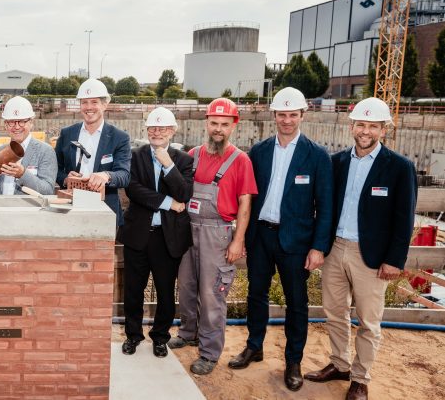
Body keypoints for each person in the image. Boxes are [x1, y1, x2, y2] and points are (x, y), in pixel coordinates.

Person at [305, 97, 417, 400]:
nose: (365, 131)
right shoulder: (337, 162)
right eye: (360, 124)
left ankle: (360, 378)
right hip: (335, 248)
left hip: (371, 255)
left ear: (383, 129)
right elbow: (323, 206)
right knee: (334, 311)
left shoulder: (399, 168)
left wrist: (394, 260)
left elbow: (403, 218)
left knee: (369, 320)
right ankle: (340, 364)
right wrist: (319, 246)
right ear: (352, 125)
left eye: (372, 126)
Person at [228, 87, 333, 391]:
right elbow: (245, 197)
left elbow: (325, 207)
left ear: (302, 115)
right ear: (273, 115)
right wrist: (242, 235)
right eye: (282, 114)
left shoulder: (317, 156)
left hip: (296, 242)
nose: (287, 120)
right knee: (256, 295)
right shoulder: (258, 152)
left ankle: (293, 361)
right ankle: (254, 346)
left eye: (292, 114)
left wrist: (318, 247)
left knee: (297, 304)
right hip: (262, 236)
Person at [169, 97, 257, 375]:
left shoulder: (240, 160)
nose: (218, 129)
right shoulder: (192, 154)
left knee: (212, 294)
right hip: (188, 227)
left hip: (217, 232)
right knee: (186, 286)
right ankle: (187, 332)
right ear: (206, 123)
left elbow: (245, 203)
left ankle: (209, 352)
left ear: (234, 126)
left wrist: (238, 239)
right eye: (214, 123)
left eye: (224, 124)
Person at [119, 107, 193, 358]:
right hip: (138, 234)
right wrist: (167, 203)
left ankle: (160, 337)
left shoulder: (183, 160)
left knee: (164, 291)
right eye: (153, 128)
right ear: (146, 130)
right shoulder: (134, 156)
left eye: (163, 128)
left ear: (172, 131)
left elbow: (184, 194)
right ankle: (133, 335)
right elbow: (134, 190)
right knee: (133, 290)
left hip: (167, 238)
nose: (157, 132)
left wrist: (168, 166)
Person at [54, 78, 131, 226]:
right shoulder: (67, 134)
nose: (89, 107)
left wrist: (106, 175)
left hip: (105, 211)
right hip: (70, 209)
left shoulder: (119, 138)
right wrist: (65, 179)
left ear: (104, 104)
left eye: (94, 102)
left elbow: (124, 175)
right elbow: (56, 168)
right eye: (84, 102)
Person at [0, 96, 57, 195]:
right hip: (1, 209)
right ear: (6, 125)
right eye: (11, 122)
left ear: (31, 122)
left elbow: (48, 190)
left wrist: (22, 174)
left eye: (22, 121)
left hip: (28, 210)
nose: (16, 127)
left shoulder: (45, 151)